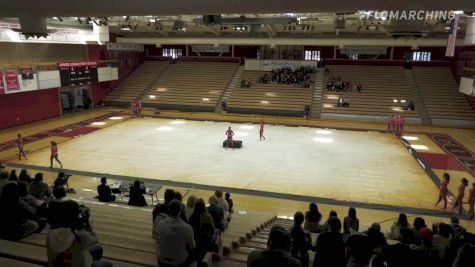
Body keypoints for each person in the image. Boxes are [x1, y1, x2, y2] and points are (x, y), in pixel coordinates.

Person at [46, 200, 98, 267]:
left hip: (54, 264)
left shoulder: (50, 233)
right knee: (98, 250)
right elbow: (95, 240)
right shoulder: (81, 235)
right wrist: (87, 224)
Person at [156, 199, 196, 267]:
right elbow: (192, 246)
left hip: (161, 261)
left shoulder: (160, 224)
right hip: (179, 263)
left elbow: (158, 241)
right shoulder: (187, 228)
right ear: (180, 211)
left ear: (169, 210)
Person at [188, 198, 215, 263]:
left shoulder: (191, 217)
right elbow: (212, 230)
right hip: (205, 243)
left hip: (195, 242)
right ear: (204, 207)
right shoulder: (207, 216)